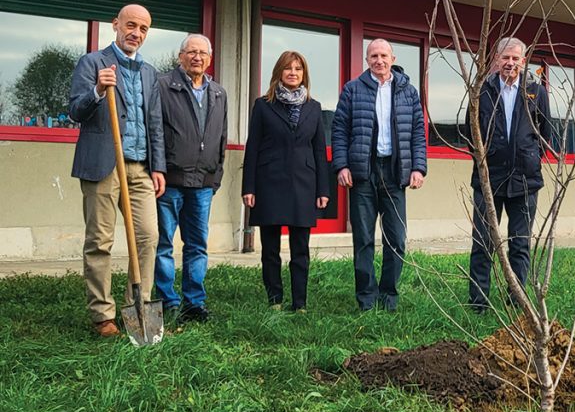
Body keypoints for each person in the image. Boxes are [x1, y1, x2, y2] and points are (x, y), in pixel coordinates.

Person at [68, 4, 166, 337]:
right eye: (131, 25)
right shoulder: (92, 63)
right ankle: (102, 315)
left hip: (139, 167)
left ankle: (139, 309)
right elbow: (75, 111)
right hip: (103, 165)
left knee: (149, 236)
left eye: (143, 28)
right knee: (100, 240)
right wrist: (97, 90)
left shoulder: (150, 73)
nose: (136, 33)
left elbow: (155, 122)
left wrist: (158, 168)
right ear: (116, 25)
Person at [331, 38, 427, 312]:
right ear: (367, 60)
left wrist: (418, 167)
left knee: (396, 238)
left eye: (384, 55)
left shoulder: (408, 92)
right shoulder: (352, 90)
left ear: (393, 59)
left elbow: (419, 132)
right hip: (363, 171)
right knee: (363, 238)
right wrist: (342, 166)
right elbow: (339, 130)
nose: (379, 60)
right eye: (373, 55)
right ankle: (366, 299)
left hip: (395, 173)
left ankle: (389, 297)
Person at [467, 37, 551, 313]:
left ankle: (516, 302)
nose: (510, 63)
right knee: (483, 242)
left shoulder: (536, 92)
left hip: (525, 181)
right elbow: (470, 133)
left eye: (516, 58)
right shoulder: (482, 90)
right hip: (488, 179)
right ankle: (479, 303)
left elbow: (546, 132)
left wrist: (530, 157)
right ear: (496, 60)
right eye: (505, 58)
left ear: (523, 61)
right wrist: (484, 158)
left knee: (520, 244)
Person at [242, 51, 330, 313]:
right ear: (278, 72)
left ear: (304, 75)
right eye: (288, 68)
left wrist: (323, 189)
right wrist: (249, 187)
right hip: (269, 182)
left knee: (300, 249)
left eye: (298, 69)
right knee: (270, 249)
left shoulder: (314, 108)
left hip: (303, 184)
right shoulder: (262, 105)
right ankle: (275, 301)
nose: (293, 73)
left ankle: (299, 303)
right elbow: (253, 147)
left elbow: (318, 150)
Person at [154, 34, 228, 324]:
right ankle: (167, 301)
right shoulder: (162, 86)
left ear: (210, 58)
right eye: (191, 52)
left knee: (197, 245)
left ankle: (194, 302)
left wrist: (217, 173)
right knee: (164, 245)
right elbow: (155, 133)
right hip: (170, 181)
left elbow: (221, 136)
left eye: (203, 53)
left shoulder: (218, 93)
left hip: (203, 184)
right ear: (180, 56)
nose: (197, 57)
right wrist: (158, 169)